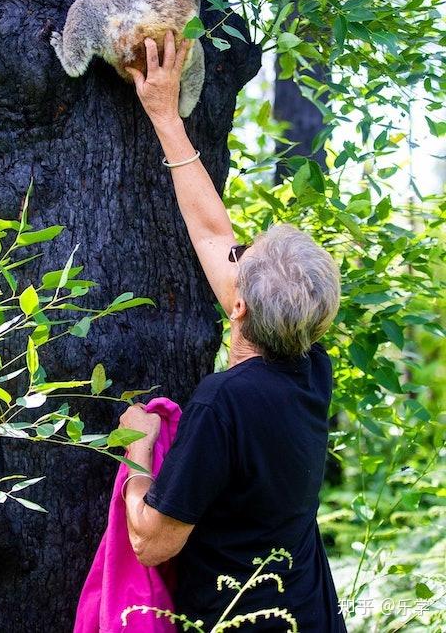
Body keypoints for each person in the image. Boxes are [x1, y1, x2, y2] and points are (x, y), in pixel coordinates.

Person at [118, 32, 347, 631]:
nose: (235, 255)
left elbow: (152, 541)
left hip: (245, 622)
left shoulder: (223, 402)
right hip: (308, 613)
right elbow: (215, 235)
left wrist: (136, 448)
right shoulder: (309, 365)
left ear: (239, 306)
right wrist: (165, 116)